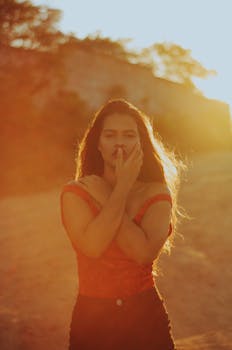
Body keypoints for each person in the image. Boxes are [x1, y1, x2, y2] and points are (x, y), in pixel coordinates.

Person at [60, 98, 184, 349]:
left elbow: (142, 253)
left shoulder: (157, 193)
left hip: (145, 318)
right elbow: (93, 247)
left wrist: (117, 189)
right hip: (92, 320)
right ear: (98, 143)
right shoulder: (77, 192)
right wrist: (120, 190)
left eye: (129, 135)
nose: (119, 143)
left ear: (141, 143)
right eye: (110, 135)